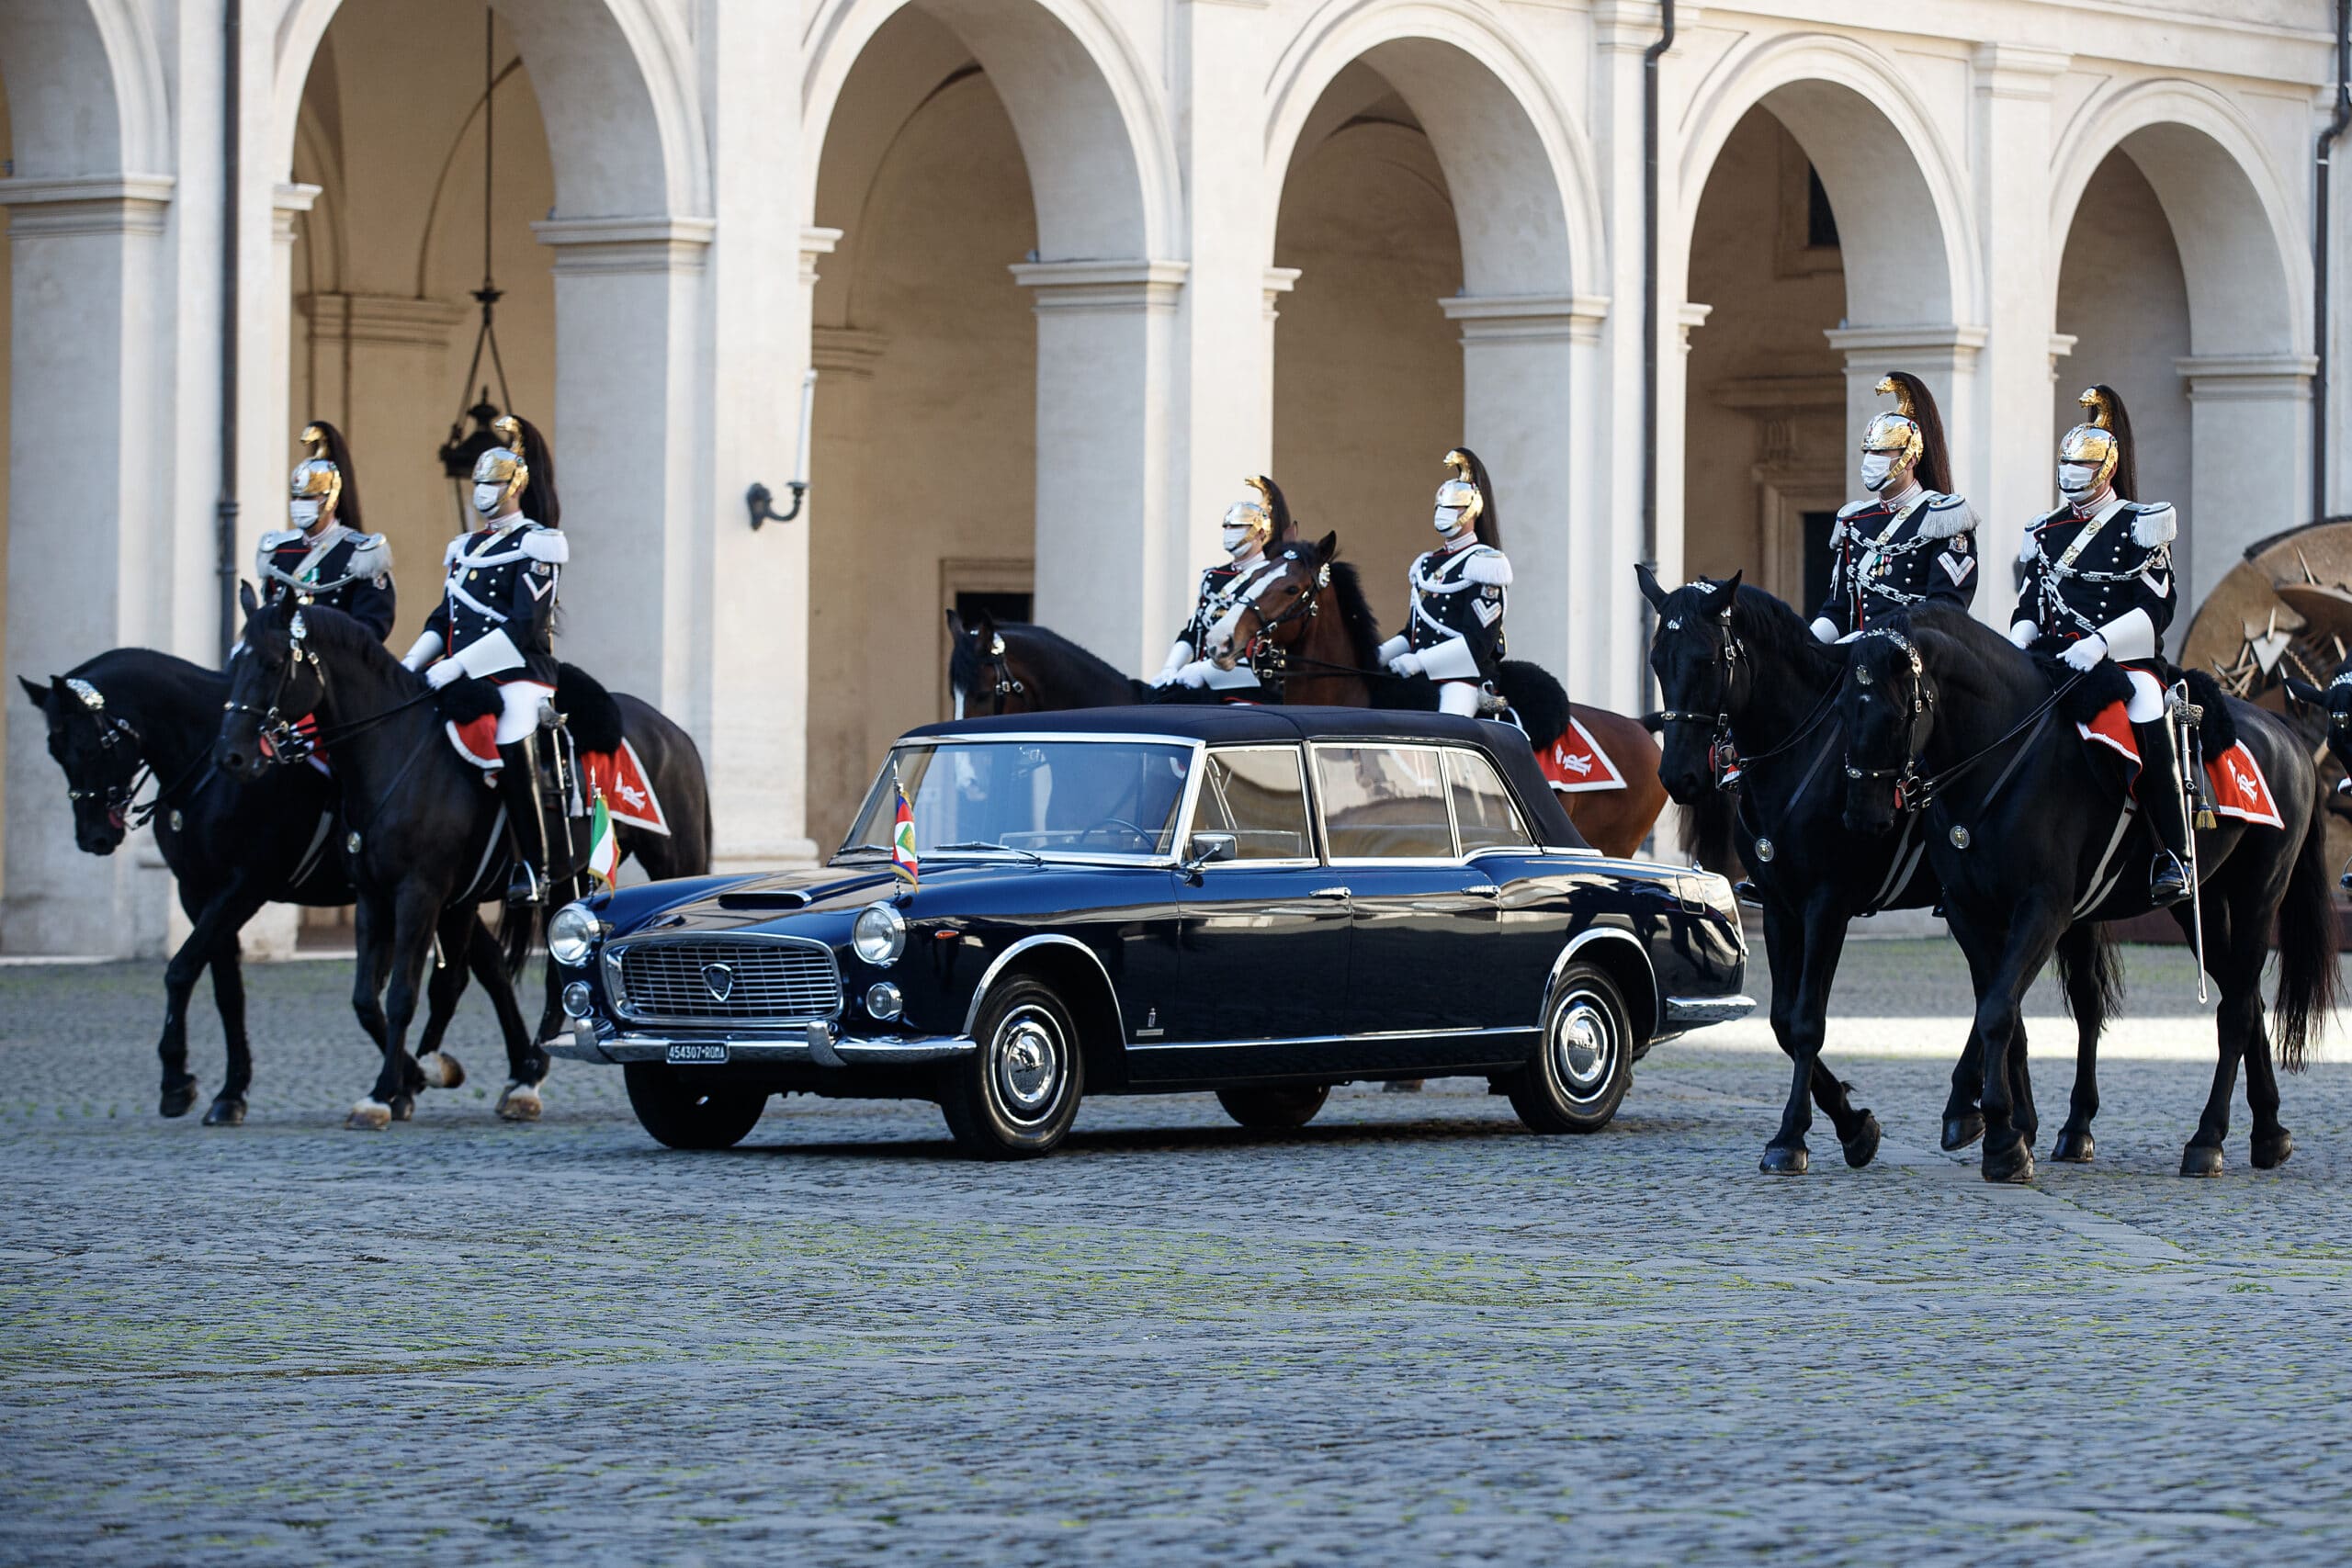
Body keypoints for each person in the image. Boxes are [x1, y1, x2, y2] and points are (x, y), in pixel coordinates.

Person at [2009, 385, 2188, 905]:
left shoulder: (2142, 523)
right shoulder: (2043, 531)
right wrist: (2017, 644)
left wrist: (2102, 643)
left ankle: (2171, 851)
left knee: (2146, 701)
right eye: (2065, 461)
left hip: (2120, 660)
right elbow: (2028, 607)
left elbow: (2156, 609)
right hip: (2053, 660)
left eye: (2081, 463)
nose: (2069, 471)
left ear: (2106, 469)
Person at [400, 414, 570, 902]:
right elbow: (443, 616)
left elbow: (524, 626)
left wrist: (458, 665)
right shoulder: (466, 547)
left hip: (519, 673)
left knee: (514, 732)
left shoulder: (538, 542)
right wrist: (412, 664)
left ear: (515, 485)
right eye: (477, 482)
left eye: (491, 482)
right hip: (460, 673)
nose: (481, 491)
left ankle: (536, 866)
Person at [1812, 374, 1975, 642]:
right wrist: (1809, 641)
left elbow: (1946, 610)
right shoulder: (1855, 521)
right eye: (1868, 452)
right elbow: (1838, 609)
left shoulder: (1944, 517)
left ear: (1910, 458)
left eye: (1881, 453)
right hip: (1857, 655)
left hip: (1914, 660)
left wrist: (1871, 639)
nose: (1870, 460)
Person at [1377, 447, 1510, 717]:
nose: (1443, 513)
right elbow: (1412, 633)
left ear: (1472, 510)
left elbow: (1477, 643)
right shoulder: (1427, 564)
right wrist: (1377, 654)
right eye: (1440, 507)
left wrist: (1420, 661)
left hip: (1461, 677)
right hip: (1419, 671)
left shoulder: (1485, 564)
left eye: (1452, 508)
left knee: (1451, 725)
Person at [1151, 475, 1294, 698]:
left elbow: (1264, 647)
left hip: (1246, 690)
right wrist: (1171, 667)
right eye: (1226, 526)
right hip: (1197, 685)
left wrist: (1204, 671)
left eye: (1238, 526)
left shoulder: (1270, 578)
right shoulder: (1213, 576)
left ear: (1260, 533)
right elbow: (1194, 630)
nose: (1229, 531)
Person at [255, 423, 395, 642]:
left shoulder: (361, 552)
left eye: (309, 498)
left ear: (332, 499)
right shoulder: (279, 549)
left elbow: (373, 626)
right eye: (296, 497)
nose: (300, 504)